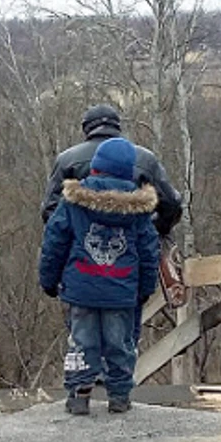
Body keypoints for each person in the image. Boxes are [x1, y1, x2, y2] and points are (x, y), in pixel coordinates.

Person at [41, 104, 182, 344]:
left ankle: (86, 374)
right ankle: (120, 377)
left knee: (83, 339)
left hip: (82, 268)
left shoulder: (67, 160)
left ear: (86, 128)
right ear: (118, 127)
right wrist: (155, 230)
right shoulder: (144, 159)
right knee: (124, 341)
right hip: (128, 268)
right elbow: (171, 204)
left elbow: (51, 212)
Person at [39, 138, 159, 415]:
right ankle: (119, 395)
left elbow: (54, 241)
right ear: (128, 171)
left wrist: (49, 279)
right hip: (122, 289)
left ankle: (80, 394)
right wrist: (145, 287)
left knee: (82, 342)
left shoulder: (73, 202)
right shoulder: (139, 210)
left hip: (81, 287)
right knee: (120, 343)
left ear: (95, 168)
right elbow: (149, 251)